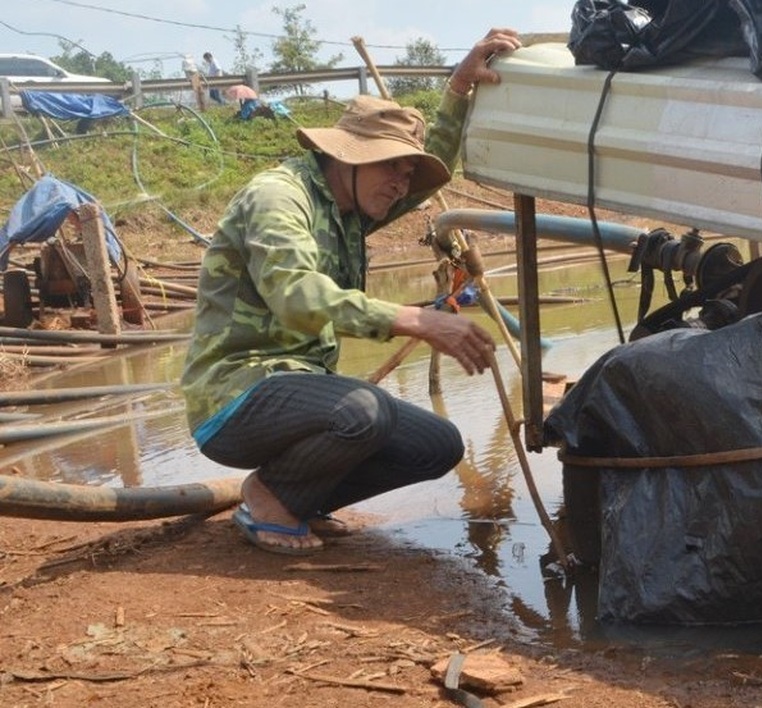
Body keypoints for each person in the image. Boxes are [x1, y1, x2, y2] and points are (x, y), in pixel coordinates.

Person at [180, 28, 524, 555]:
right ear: (348, 157)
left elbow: (430, 175)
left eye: (407, 172)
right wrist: (417, 319)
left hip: (298, 389)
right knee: (364, 412)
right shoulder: (279, 197)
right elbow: (296, 295)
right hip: (236, 395)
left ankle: (300, 498)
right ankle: (269, 496)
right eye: (392, 167)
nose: (402, 184)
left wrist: (457, 89)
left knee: (438, 444)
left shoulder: (351, 209)